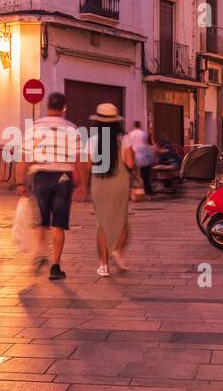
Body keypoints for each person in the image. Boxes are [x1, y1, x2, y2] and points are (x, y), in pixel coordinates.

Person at [15, 90, 83, 281]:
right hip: (63, 178)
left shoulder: (34, 128)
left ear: (47, 106)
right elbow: (78, 158)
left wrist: (21, 182)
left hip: (40, 177)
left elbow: (23, 158)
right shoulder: (71, 128)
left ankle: (38, 255)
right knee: (59, 225)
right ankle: (55, 265)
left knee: (42, 221)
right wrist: (82, 183)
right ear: (64, 108)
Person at [83, 104, 134, 276]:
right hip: (120, 184)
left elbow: (87, 165)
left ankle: (103, 264)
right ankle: (117, 250)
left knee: (102, 223)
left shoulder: (92, 140)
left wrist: (84, 186)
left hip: (99, 184)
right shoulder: (124, 139)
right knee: (121, 220)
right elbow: (130, 163)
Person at [125, 120, 155, 198]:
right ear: (139, 126)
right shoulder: (144, 134)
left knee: (132, 177)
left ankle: (131, 194)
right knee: (145, 178)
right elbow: (148, 145)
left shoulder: (130, 135)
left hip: (133, 158)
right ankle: (149, 193)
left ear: (134, 126)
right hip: (144, 159)